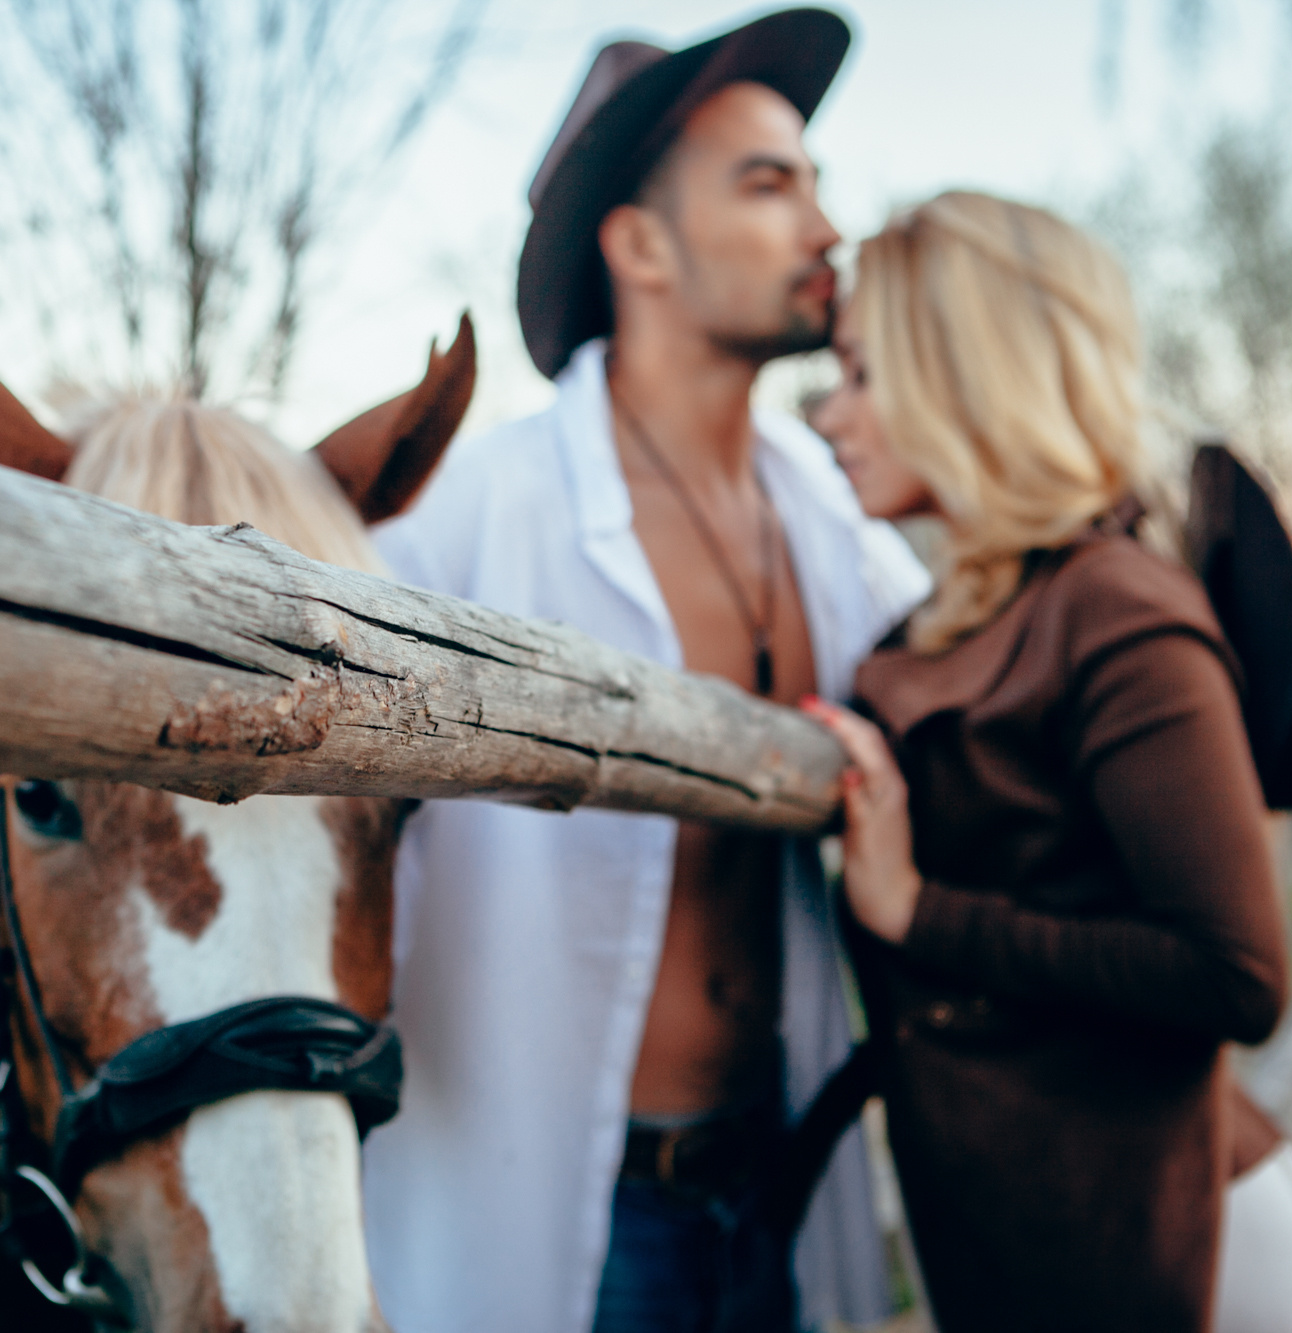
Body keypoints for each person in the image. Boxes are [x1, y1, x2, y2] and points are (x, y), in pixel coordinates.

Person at [360, 10, 928, 1332]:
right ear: (639, 247)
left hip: (776, 1174)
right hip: (564, 1202)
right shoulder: (468, 511)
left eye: (815, 181)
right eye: (769, 184)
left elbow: (994, 690)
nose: (826, 230)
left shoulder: (828, 511)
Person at [805, 190, 1292, 1333]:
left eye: (860, 373)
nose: (826, 412)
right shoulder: (932, 628)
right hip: (1019, 1235)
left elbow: (1236, 973)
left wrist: (916, 910)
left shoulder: (1116, 610)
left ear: (965, 374)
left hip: (1181, 1243)